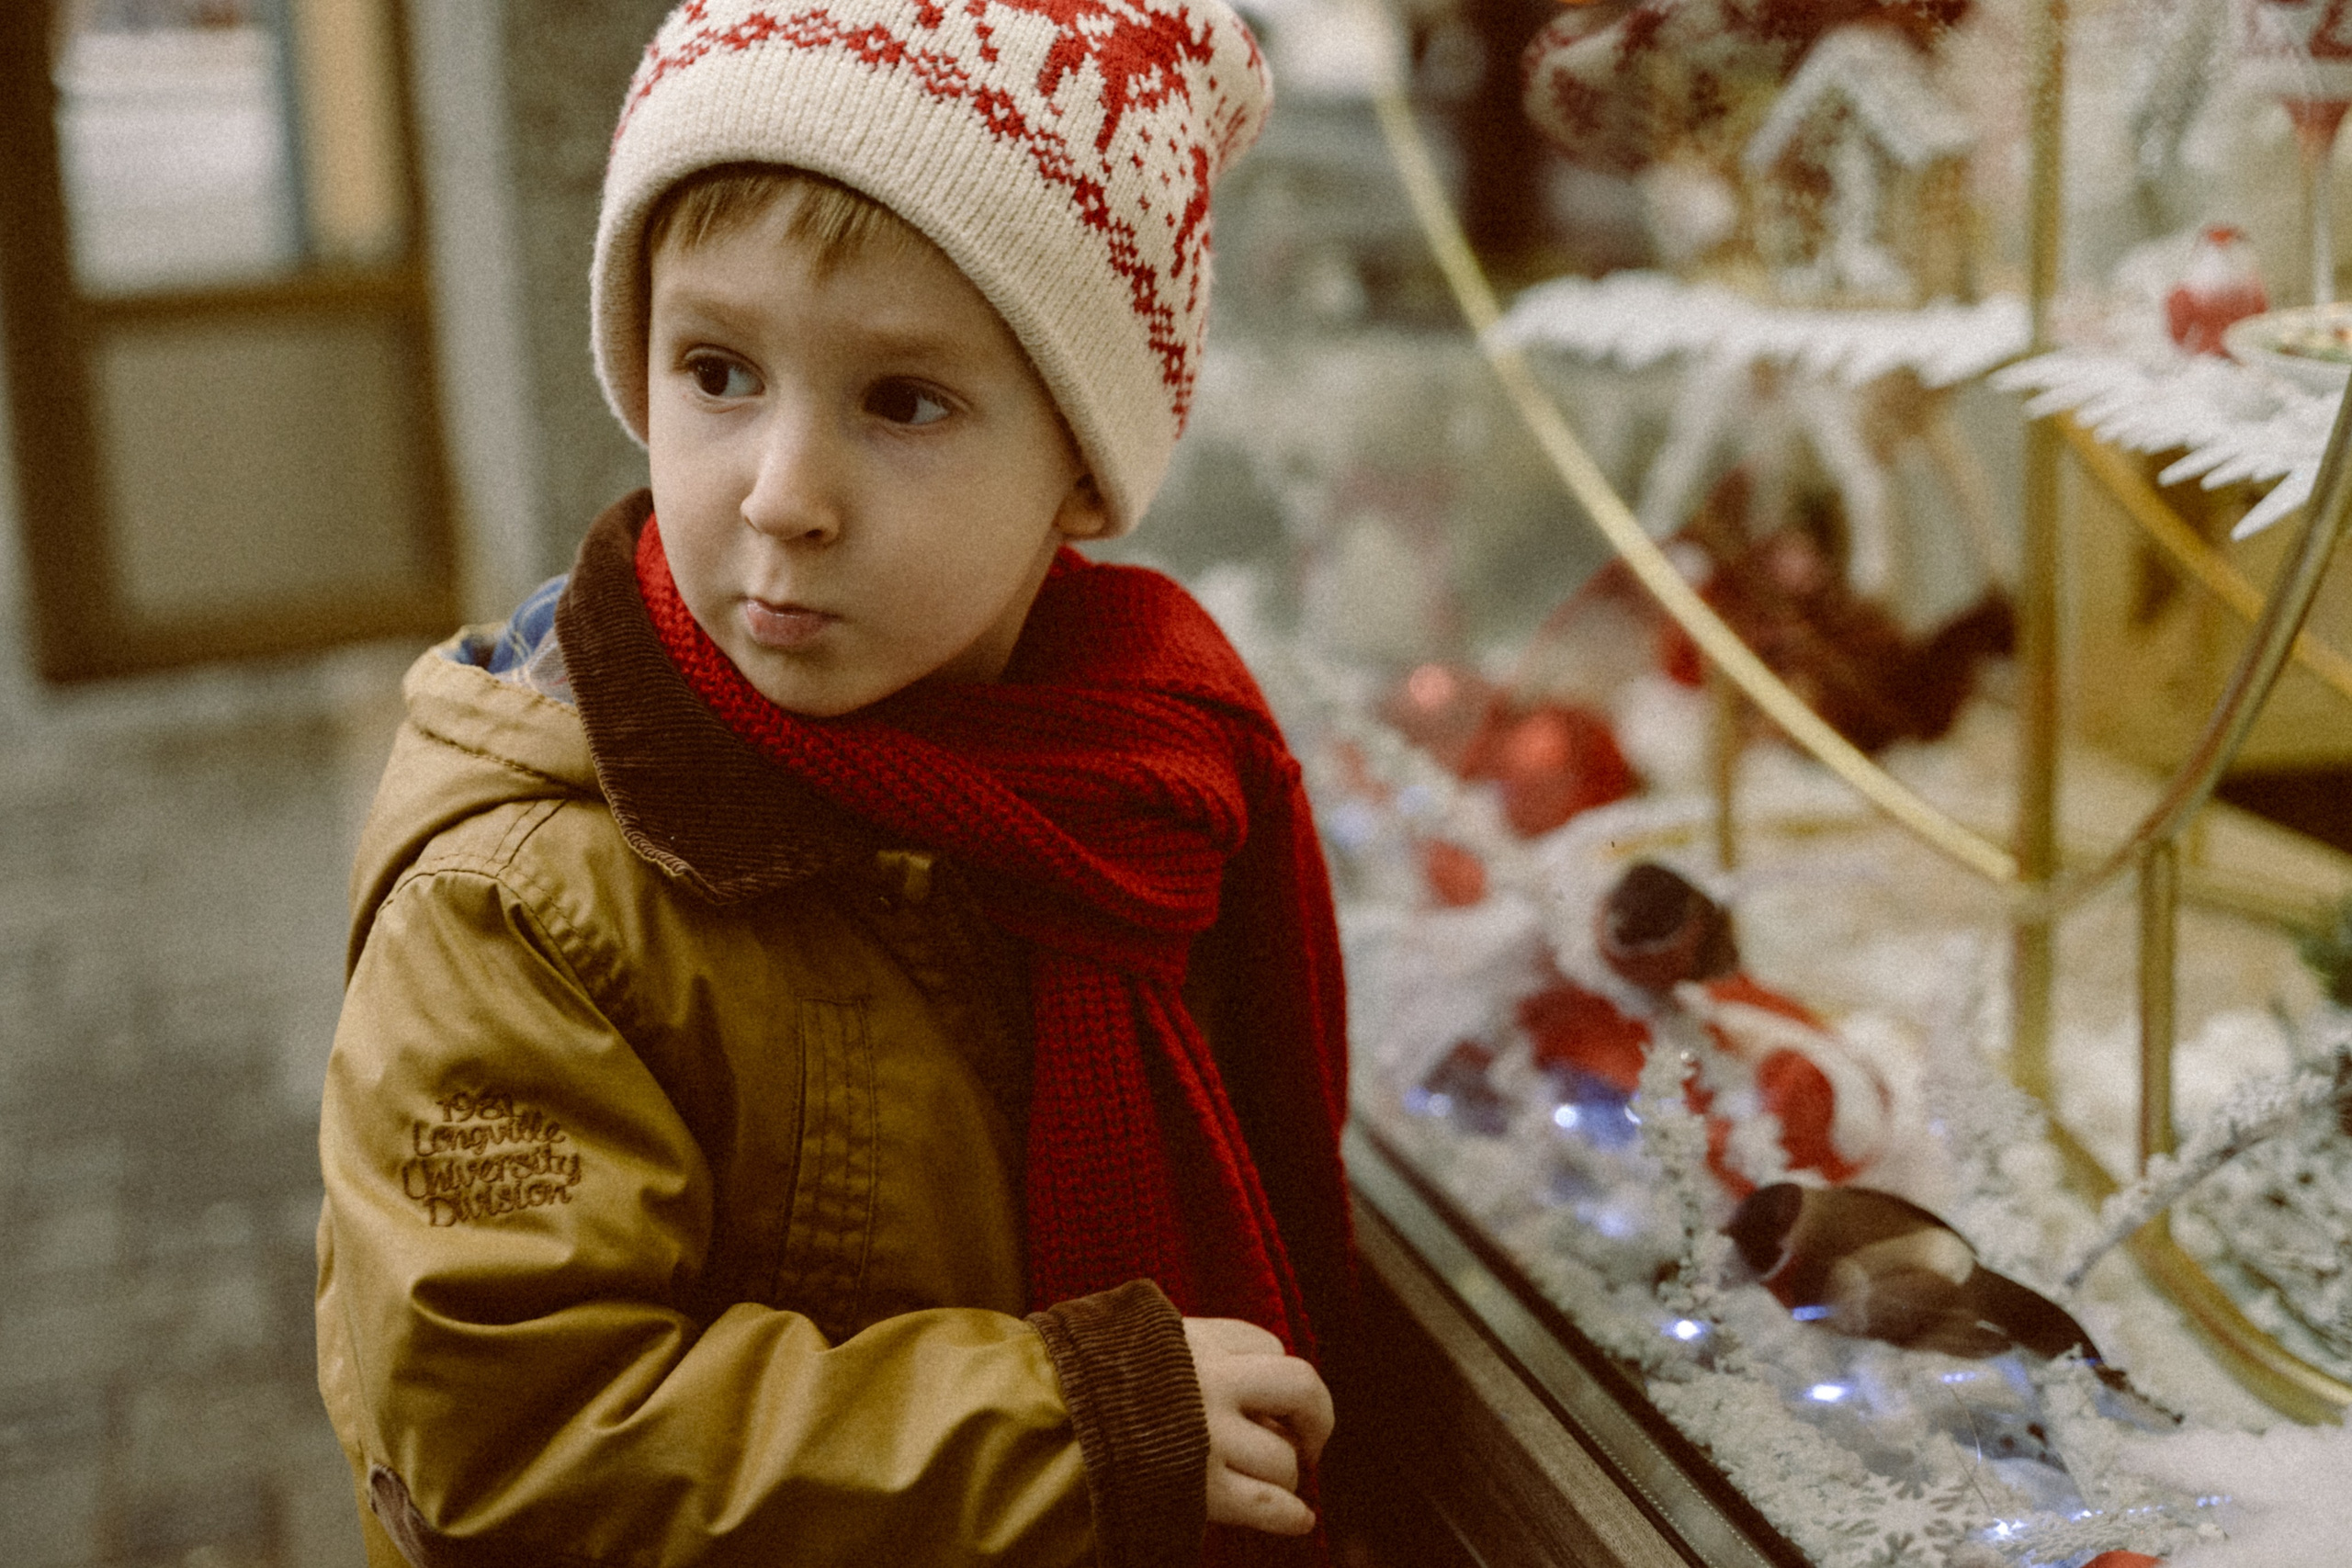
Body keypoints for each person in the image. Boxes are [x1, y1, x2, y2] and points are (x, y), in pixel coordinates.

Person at [311, 1, 1355, 1562]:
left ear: (1081, 464)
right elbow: (504, 1444)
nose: (784, 495)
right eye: (718, 371)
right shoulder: (525, 896)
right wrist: (1079, 1427)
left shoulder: (1140, 781)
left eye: (903, 402)